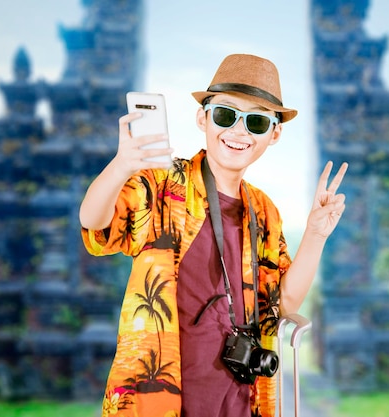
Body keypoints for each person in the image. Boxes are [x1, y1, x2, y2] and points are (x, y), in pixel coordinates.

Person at [80, 53, 348, 417]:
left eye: (255, 122)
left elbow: (282, 305)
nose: (238, 132)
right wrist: (122, 164)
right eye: (225, 115)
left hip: (238, 398)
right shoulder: (165, 184)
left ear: (274, 134)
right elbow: (95, 222)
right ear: (202, 118)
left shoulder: (264, 210)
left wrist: (316, 234)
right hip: (157, 396)